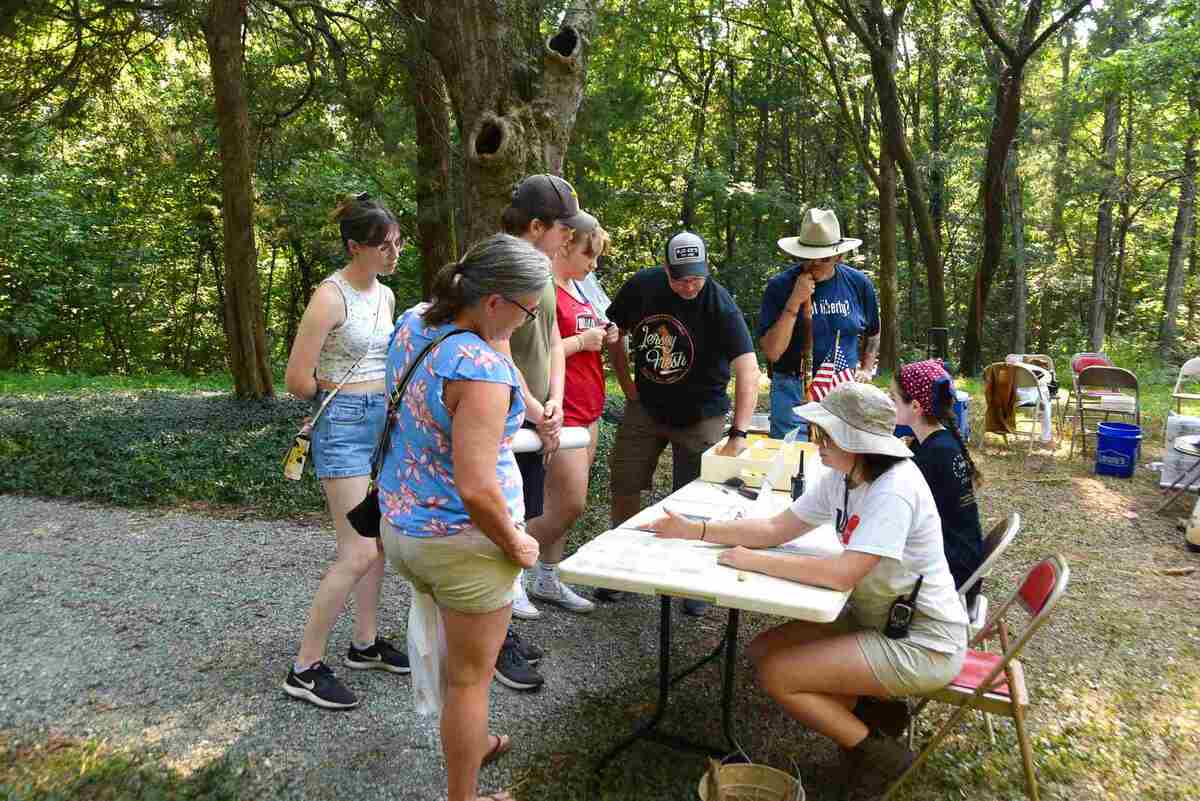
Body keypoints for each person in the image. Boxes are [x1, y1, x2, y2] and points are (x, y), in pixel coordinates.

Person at [649, 382, 968, 798]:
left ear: (855, 441)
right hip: (879, 618)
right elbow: (774, 527)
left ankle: (879, 757)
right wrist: (695, 529)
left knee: (778, 674)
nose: (816, 441)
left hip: (923, 641)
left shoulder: (894, 489)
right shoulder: (845, 475)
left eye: (824, 433)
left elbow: (841, 575)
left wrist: (753, 560)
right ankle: (874, 714)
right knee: (762, 651)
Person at [377, 234, 549, 801]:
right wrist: (519, 545)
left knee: (460, 665)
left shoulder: (414, 323)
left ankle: (469, 741)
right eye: (528, 309)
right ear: (495, 301)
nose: (530, 322)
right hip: (464, 542)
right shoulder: (478, 370)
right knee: (470, 680)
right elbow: (476, 487)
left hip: (403, 526)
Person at [282, 193, 408, 710]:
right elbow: (295, 380)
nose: (392, 252)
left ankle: (364, 643)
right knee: (356, 549)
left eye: (397, 242)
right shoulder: (329, 298)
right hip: (345, 426)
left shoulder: (387, 295)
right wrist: (345, 402)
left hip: (384, 422)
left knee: (376, 541)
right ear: (355, 246)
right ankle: (304, 668)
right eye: (382, 245)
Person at [601, 231, 760, 615]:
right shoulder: (642, 286)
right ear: (666, 270)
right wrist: (627, 386)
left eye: (696, 278)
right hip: (647, 407)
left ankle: (693, 580)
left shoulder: (719, 304)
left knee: (695, 497)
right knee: (625, 480)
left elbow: (748, 368)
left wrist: (738, 433)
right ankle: (621, 567)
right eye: (680, 278)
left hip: (701, 413)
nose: (689, 286)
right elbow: (613, 333)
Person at [492, 174, 591, 685]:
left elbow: (552, 336)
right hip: (496, 423)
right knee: (498, 528)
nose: (569, 241)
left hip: (530, 419)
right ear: (536, 226)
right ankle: (489, 640)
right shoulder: (501, 266)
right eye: (563, 231)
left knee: (523, 517)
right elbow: (499, 342)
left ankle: (498, 627)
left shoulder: (543, 269)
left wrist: (553, 400)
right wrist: (532, 406)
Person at [522, 215, 617, 615]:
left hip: (589, 405)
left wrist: (604, 334)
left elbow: (587, 334)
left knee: (560, 501)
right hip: (562, 410)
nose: (593, 263)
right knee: (569, 503)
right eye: (587, 253)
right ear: (563, 245)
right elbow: (532, 350)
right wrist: (582, 341)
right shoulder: (541, 288)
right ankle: (504, 566)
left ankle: (547, 576)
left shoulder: (580, 288)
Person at [759, 208, 880, 439]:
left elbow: (873, 333)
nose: (814, 263)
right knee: (793, 463)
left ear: (839, 257)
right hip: (791, 389)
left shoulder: (859, 284)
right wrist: (794, 301)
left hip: (842, 388)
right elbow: (773, 352)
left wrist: (866, 368)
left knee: (840, 463)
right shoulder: (779, 286)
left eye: (823, 258)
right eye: (807, 256)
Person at [892, 360, 985, 606]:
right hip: (960, 558)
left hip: (950, 571)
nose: (890, 404)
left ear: (915, 406)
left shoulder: (936, 453)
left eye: (893, 398)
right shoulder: (937, 442)